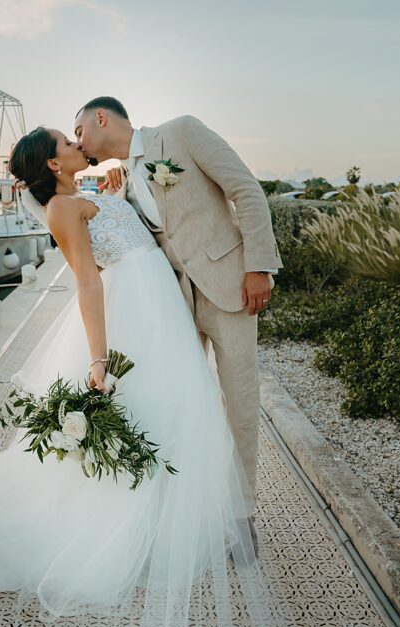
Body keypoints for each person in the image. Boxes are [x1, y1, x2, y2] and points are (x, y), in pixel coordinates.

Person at [0, 126, 297, 627]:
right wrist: (97, 360)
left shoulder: (91, 196)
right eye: (65, 143)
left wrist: (117, 198)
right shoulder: (62, 213)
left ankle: (176, 509)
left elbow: (133, 234)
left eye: (77, 136)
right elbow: (88, 284)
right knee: (153, 405)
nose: (78, 145)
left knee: (174, 408)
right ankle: (131, 526)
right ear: (52, 164)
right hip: (135, 314)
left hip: (163, 307)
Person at [74, 97, 283, 547]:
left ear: (101, 118)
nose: (78, 143)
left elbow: (245, 189)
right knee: (185, 406)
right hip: (175, 303)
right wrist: (118, 192)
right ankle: (192, 508)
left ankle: (242, 517)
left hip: (230, 288)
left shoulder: (183, 132)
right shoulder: (122, 179)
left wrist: (258, 266)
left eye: (79, 132)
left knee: (240, 404)